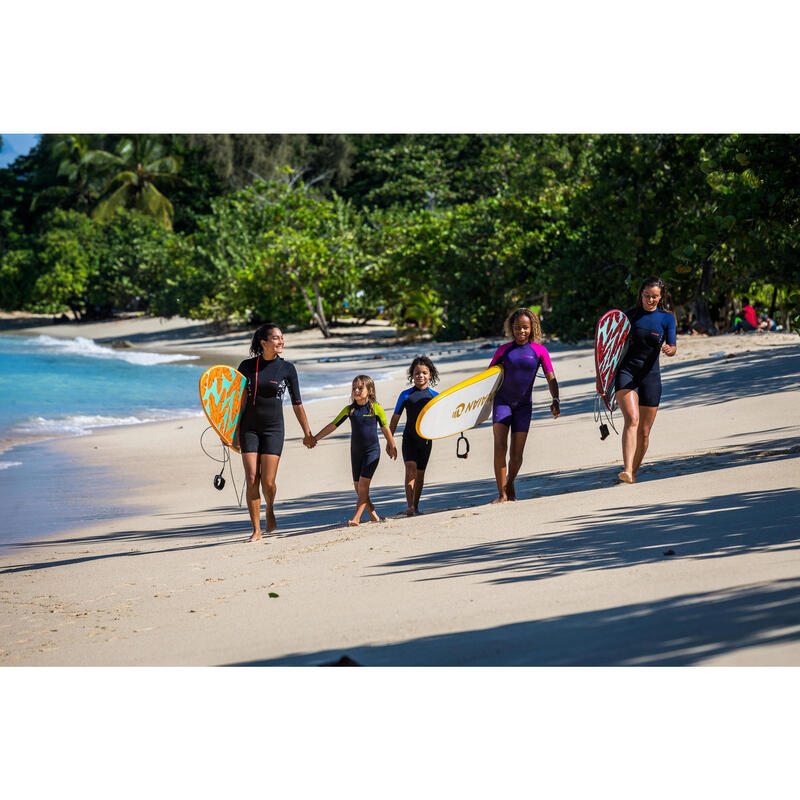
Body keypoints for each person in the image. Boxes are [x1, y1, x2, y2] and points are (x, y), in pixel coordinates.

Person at [236, 323, 314, 542]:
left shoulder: (287, 368)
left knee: (268, 482)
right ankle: (256, 530)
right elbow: (237, 401)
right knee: (252, 478)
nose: (281, 342)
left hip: (273, 429)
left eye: (282, 338)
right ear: (264, 342)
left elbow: (297, 403)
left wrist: (307, 433)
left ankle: (269, 507)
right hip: (249, 428)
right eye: (276, 338)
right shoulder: (247, 366)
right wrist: (231, 431)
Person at [488, 308, 560, 503]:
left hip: (523, 406)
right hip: (502, 402)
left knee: (517, 454)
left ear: (532, 328)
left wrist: (555, 400)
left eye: (525, 327)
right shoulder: (503, 351)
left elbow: (551, 378)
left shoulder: (539, 351)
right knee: (500, 446)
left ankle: (510, 482)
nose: (521, 331)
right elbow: (486, 378)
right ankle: (502, 493)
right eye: (518, 327)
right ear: (512, 327)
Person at [614, 277, 677, 484]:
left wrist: (670, 350)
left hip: (651, 375)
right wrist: (602, 378)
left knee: (644, 432)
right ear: (640, 293)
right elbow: (610, 349)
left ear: (661, 297)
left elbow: (673, 346)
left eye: (655, 297)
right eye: (647, 295)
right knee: (632, 419)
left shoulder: (667, 319)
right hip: (627, 372)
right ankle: (627, 469)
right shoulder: (628, 316)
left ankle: (633, 472)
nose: (650, 300)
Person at [312, 375, 397, 526]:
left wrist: (392, 446)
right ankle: (372, 513)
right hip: (355, 453)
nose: (356, 391)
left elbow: (385, 428)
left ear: (370, 391)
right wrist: (316, 438)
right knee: (358, 488)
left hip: (372, 451)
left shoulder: (375, 409)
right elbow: (333, 425)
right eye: (354, 388)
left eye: (360, 388)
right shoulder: (349, 410)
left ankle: (356, 518)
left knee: (363, 486)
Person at [389, 356, 440, 516]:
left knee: (420, 474)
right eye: (417, 373)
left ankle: (416, 506)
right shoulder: (405, 395)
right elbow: (395, 418)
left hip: (425, 441)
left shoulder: (435, 396)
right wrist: (390, 441)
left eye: (424, 372)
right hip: (409, 438)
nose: (420, 376)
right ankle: (410, 506)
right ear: (412, 375)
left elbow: (442, 419)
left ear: (430, 374)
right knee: (410, 469)